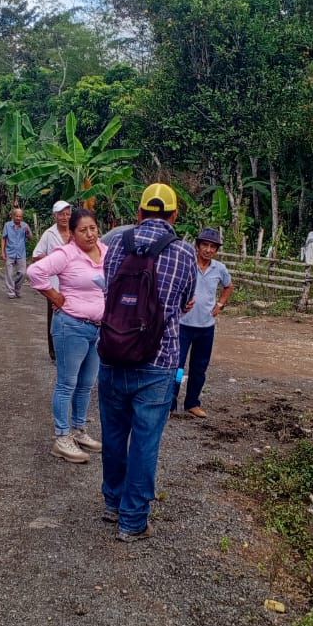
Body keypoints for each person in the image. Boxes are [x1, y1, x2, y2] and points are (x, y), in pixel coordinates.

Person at [98, 182, 196, 541]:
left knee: (113, 434)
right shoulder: (184, 252)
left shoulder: (115, 245)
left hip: (112, 352)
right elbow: (186, 299)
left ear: (138, 213)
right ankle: (132, 521)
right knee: (144, 441)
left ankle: (113, 503)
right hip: (158, 359)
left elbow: (107, 289)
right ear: (174, 215)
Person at [28, 208, 109, 464]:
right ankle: (62, 437)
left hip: (97, 329)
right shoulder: (66, 254)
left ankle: (79, 430)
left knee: (87, 384)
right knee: (67, 383)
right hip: (71, 327)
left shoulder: (105, 251)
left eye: (93, 228)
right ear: (72, 233)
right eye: (83, 230)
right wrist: (54, 296)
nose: (90, 234)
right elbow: (35, 272)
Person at [170, 227, 234, 419]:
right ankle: (170, 403)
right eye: (204, 245)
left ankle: (192, 403)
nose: (208, 249)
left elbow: (228, 286)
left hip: (206, 327)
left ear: (216, 250)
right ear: (197, 246)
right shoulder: (187, 265)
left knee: (199, 368)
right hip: (183, 325)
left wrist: (220, 304)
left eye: (213, 247)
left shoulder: (219, 269)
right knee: (178, 367)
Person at [32, 200, 73, 361]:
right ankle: (54, 352)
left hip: (73, 283)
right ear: (55, 216)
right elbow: (36, 255)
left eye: (67, 214)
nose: (65, 217)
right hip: (54, 285)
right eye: (61, 214)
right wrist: (52, 260)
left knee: (73, 317)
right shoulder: (49, 234)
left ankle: (69, 350)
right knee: (54, 317)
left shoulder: (76, 231)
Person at [1, 207, 33, 298]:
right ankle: (11, 292)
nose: (18, 218)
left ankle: (17, 289)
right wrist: (2, 252)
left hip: (21, 253)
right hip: (10, 252)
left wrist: (28, 231)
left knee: (23, 273)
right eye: (17, 216)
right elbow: (4, 238)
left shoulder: (25, 225)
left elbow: (30, 238)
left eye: (20, 216)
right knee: (9, 273)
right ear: (13, 216)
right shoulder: (7, 225)